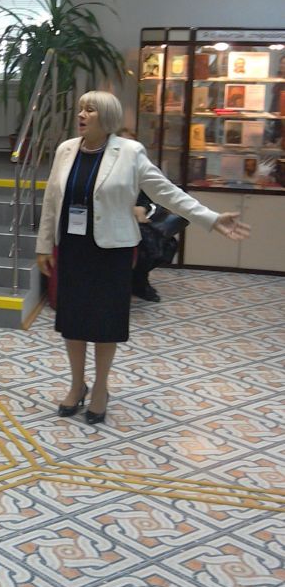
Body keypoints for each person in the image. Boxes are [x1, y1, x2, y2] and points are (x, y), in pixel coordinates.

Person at [36, 91, 250, 425]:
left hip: (112, 251)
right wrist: (43, 245)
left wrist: (210, 218)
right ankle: (77, 384)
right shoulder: (66, 150)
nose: (82, 114)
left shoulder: (130, 152)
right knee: (72, 321)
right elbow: (52, 201)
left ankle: (101, 388)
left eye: (90, 109)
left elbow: (166, 192)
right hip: (74, 248)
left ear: (107, 116)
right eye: (80, 109)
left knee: (105, 323)